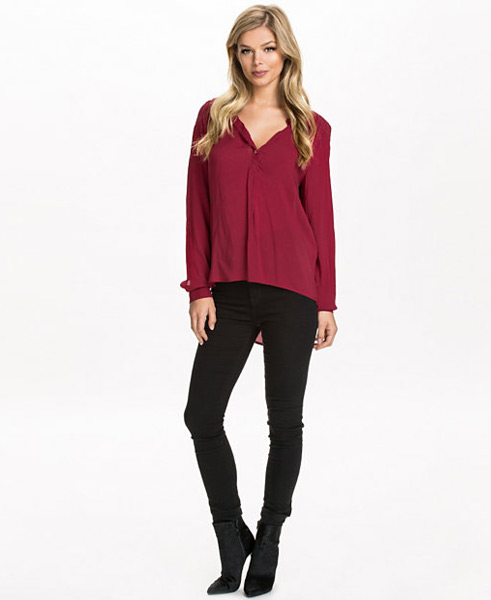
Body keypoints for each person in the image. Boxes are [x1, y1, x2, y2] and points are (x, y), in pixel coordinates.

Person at [181, 5, 338, 596]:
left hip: (293, 291)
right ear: (235, 56)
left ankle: (270, 536)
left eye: (268, 48)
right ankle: (231, 534)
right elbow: (197, 208)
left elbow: (320, 215)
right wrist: (199, 288)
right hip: (228, 291)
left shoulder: (311, 127)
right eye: (246, 50)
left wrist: (325, 301)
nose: (257, 60)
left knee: (284, 421)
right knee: (201, 416)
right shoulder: (213, 118)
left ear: (285, 53)